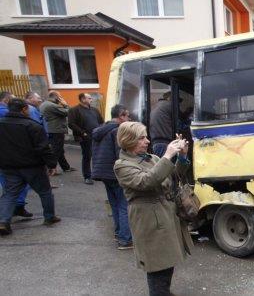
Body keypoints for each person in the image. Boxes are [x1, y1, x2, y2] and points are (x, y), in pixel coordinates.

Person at [114, 122, 193, 296]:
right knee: (157, 265)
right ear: (129, 140)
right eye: (142, 138)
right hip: (149, 220)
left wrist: (181, 157)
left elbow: (172, 176)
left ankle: (164, 291)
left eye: (146, 136)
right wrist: (167, 155)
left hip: (166, 215)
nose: (148, 141)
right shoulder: (122, 165)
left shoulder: (151, 158)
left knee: (168, 261)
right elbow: (147, 181)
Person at [0, 99, 61, 235]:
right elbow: (43, 148)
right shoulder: (32, 126)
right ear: (24, 109)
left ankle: (3, 222)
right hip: (32, 166)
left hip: (8, 167)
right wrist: (51, 164)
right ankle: (49, 217)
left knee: (9, 194)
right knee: (44, 191)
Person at [92, 105, 133, 250]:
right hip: (115, 173)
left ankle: (119, 233)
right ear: (121, 116)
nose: (129, 118)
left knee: (115, 204)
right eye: (127, 116)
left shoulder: (100, 130)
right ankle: (125, 239)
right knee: (124, 205)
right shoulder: (117, 131)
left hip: (103, 173)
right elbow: (120, 155)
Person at [0, 91, 33, 218]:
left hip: (5, 158)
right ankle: (14, 210)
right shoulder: (7, 115)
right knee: (17, 186)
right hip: (17, 156)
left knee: (8, 187)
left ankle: (7, 216)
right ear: (7, 100)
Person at [68, 93, 103, 185]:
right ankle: (87, 176)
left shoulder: (94, 110)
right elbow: (71, 124)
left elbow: (101, 121)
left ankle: (97, 174)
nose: (91, 99)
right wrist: (82, 133)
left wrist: (101, 130)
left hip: (97, 136)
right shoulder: (74, 110)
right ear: (83, 99)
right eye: (89, 98)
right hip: (85, 137)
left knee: (97, 155)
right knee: (87, 156)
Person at [40, 91, 76, 174]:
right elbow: (69, 112)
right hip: (56, 129)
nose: (61, 98)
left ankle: (65, 167)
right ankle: (51, 168)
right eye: (60, 97)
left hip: (52, 129)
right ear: (56, 97)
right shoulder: (52, 105)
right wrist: (65, 104)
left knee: (59, 149)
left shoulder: (44, 104)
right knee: (56, 150)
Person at [149, 92, 174, 157]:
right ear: (169, 98)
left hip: (155, 143)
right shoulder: (169, 105)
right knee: (165, 165)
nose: (178, 103)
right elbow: (181, 119)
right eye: (178, 100)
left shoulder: (156, 105)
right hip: (164, 142)